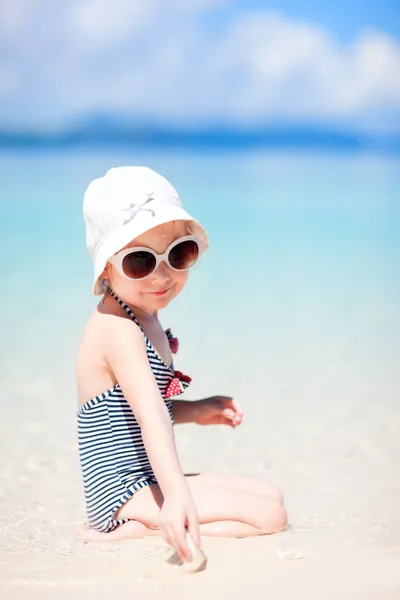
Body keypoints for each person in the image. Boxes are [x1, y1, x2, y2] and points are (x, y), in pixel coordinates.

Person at [76, 166, 287, 563]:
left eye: (178, 255)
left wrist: (198, 409)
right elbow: (150, 414)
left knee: (271, 495)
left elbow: (135, 410)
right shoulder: (117, 329)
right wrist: (176, 496)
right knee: (270, 517)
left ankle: (154, 519)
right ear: (106, 267)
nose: (163, 276)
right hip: (119, 492)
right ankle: (135, 528)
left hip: (144, 480)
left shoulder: (141, 314)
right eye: (140, 262)